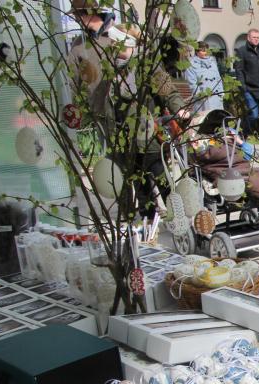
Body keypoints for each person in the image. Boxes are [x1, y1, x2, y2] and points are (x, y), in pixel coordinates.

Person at [66, 0, 186, 220]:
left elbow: (167, 89)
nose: (115, 49)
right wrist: (78, 116)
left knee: (159, 173)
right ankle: (144, 220)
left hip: (146, 129)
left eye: (78, 15)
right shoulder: (83, 49)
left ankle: (179, 216)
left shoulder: (140, 59)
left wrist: (180, 110)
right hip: (115, 128)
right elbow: (77, 89)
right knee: (131, 178)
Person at [235, 29, 259, 153]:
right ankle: (242, 134)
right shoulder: (242, 51)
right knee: (253, 115)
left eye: (258, 37)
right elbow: (239, 71)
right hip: (250, 90)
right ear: (248, 38)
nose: (256, 39)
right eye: (253, 37)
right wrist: (243, 87)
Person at [185, 42, 224, 114]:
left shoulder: (213, 63)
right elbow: (192, 84)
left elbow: (218, 79)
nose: (205, 53)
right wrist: (201, 96)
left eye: (207, 50)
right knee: (205, 120)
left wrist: (221, 93)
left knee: (218, 119)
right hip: (203, 100)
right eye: (203, 51)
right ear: (197, 52)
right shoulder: (191, 65)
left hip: (216, 98)